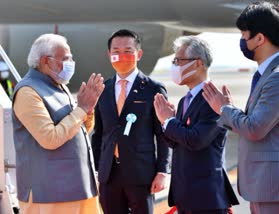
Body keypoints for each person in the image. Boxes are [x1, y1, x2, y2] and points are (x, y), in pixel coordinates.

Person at [202, 1, 279, 213]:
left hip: (277, 186)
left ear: (260, 39)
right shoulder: (270, 73)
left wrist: (223, 109)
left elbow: (255, 129)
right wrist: (229, 109)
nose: (242, 41)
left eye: (244, 36)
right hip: (270, 186)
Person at [12, 33, 105, 214]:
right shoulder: (28, 91)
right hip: (49, 194)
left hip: (79, 187)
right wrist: (82, 109)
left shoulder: (58, 86)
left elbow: (80, 131)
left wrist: (88, 109)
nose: (71, 63)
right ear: (46, 61)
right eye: (66, 58)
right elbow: (50, 138)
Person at [153, 35, 239, 214]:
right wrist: (165, 121)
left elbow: (196, 140)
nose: (175, 66)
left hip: (206, 197)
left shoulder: (214, 99)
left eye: (178, 60)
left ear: (198, 63)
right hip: (187, 195)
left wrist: (169, 121)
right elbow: (177, 141)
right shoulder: (186, 99)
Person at [91, 29, 171, 214]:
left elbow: (163, 133)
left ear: (139, 54)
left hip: (141, 174)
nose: (121, 56)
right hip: (109, 175)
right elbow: (99, 134)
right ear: (109, 55)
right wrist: (96, 169)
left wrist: (163, 171)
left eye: (128, 51)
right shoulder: (104, 89)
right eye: (116, 52)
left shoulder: (153, 88)